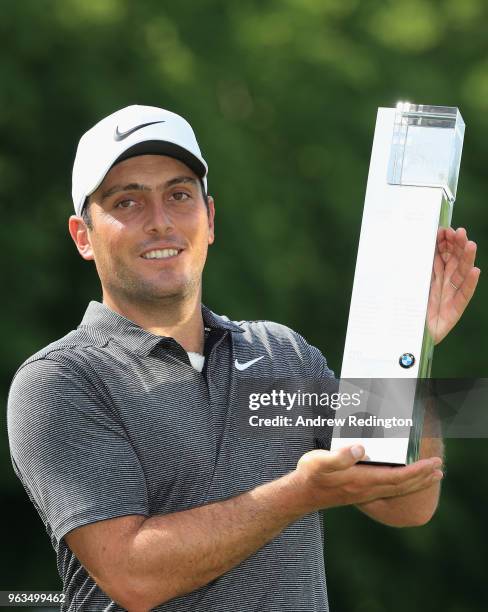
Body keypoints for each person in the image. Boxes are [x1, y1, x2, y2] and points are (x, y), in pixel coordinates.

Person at [7, 105, 480, 612]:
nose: (160, 222)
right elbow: (133, 575)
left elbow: (406, 500)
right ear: (83, 236)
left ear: (209, 219)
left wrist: (412, 344)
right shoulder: (60, 382)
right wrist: (298, 494)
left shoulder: (284, 355)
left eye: (179, 194)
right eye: (127, 202)